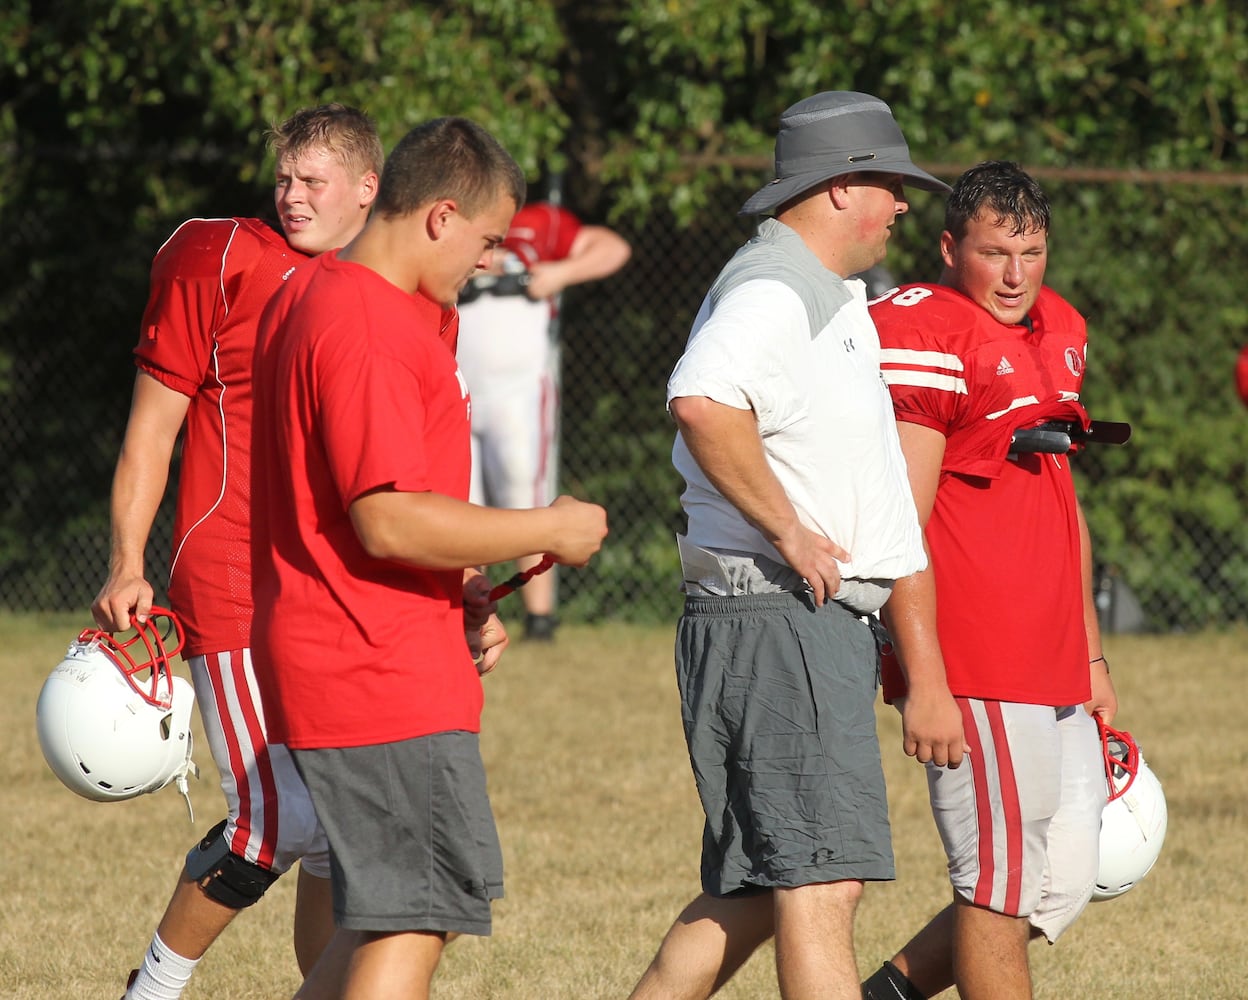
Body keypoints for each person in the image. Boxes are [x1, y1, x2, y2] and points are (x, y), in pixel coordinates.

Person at [249, 116, 608, 1000]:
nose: (490, 262)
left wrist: (463, 586)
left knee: (385, 916)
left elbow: (376, 508)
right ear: (440, 217)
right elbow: (388, 521)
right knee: (419, 912)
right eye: (487, 239)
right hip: (372, 667)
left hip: (371, 650)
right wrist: (544, 530)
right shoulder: (365, 324)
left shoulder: (338, 298)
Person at [626, 91, 956, 1000]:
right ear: (842, 188)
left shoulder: (824, 292)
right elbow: (700, 399)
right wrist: (788, 528)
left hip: (787, 626)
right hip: (778, 619)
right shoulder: (775, 290)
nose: (900, 205)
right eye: (889, 184)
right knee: (821, 881)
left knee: (757, 890)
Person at [92, 105, 388, 1000]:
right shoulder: (218, 255)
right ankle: (152, 990)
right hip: (233, 576)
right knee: (279, 815)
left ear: (367, 190)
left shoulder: (390, 278)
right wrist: (125, 560)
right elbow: (151, 433)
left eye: (313, 181)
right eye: (284, 178)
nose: (291, 196)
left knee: (341, 825)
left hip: (334, 589)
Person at [862, 160, 1119, 1000]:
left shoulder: (1057, 328)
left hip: (1051, 656)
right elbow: (900, 519)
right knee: (1002, 883)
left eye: (1032, 253)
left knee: (1063, 876)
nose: (1015, 276)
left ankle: (888, 993)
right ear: (948, 247)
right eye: (994, 253)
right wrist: (923, 676)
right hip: (981, 653)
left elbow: (1061, 501)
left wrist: (1091, 656)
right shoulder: (930, 330)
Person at [455, 200, 631, 641]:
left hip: (519, 389)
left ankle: (539, 617)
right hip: (457, 386)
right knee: (460, 501)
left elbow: (612, 248)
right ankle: (469, 608)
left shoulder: (540, 223)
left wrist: (559, 274)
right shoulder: (449, 218)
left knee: (524, 491)